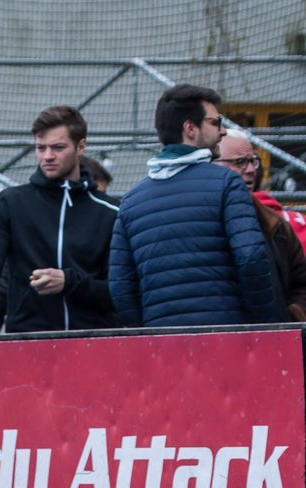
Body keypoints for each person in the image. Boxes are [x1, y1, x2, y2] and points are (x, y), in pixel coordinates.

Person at [0, 106, 120, 351]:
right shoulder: (11, 203)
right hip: (28, 346)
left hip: (95, 347)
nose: (47, 156)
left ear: (81, 147)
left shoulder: (110, 211)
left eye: (58, 148)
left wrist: (70, 282)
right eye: (41, 148)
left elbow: (120, 289)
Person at [110, 84, 277, 327]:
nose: (222, 131)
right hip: (226, 337)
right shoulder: (227, 183)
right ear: (190, 128)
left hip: (160, 346)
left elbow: (120, 287)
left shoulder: (131, 200)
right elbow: (250, 257)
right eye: (216, 122)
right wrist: (262, 324)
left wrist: (147, 331)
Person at [215, 130, 306, 320]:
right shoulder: (200, 221)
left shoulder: (275, 224)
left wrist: (292, 316)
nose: (250, 170)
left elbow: (301, 281)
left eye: (252, 161)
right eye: (239, 162)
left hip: (274, 339)